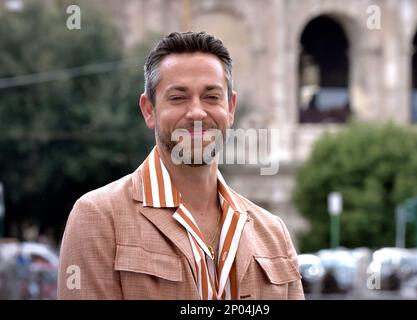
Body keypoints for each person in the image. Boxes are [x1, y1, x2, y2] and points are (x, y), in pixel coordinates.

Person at [57, 31, 304, 300]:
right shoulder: (98, 218)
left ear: (231, 108)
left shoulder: (272, 232)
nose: (197, 112)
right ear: (149, 110)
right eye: (178, 97)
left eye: (211, 97)